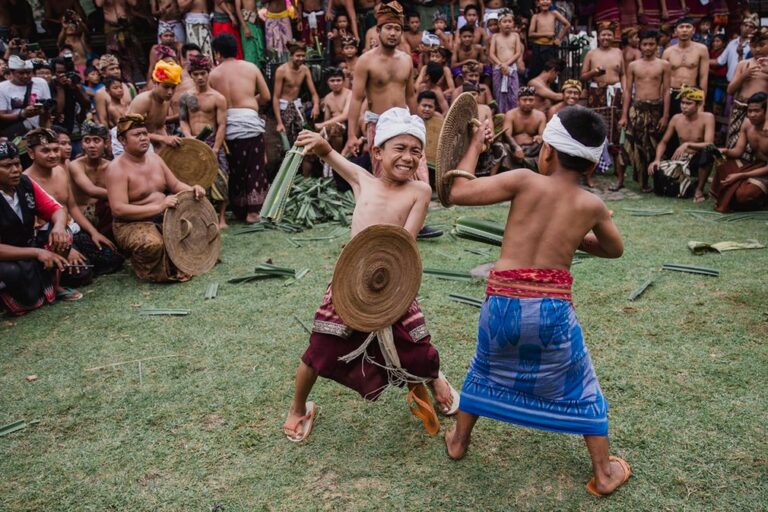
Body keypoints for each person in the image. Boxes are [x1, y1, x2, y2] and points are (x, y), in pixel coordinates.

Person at [443, 106, 631, 498]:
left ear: (547, 151)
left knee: (484, 367)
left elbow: (455, 191)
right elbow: (615, 249)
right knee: (582, 385)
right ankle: (604, 472)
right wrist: (577, 237)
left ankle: (459, 440)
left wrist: (476, 145)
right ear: (591, 166)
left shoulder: (524, 180)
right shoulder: (591, 205)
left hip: (502, 304)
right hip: (552, 311)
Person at [283, 108, 458, 443]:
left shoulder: (419, 191)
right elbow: (329, 154)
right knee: (320, 349)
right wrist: (319, 141)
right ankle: (298, 407)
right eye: (400, 148)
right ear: (377, 152)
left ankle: (434, 378)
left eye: (415, 151)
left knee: (416, 347)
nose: (409, 157)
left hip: (394, 281)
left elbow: (405, 242)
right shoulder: (362, 180)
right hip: (350, 283)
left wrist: (391, 278)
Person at [341, 0, 442, 239]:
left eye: (397, 28)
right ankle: (385, 225)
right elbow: (356, 99)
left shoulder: (406, 60)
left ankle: (415, 224)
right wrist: (352, 134)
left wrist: (420, 126)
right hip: (379, 125)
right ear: (378, 30)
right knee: (384, 179)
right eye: (389, 28)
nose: (393, 33)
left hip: (406, 123)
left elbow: (410, 95)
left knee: (419, 176)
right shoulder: (365, 61)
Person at [106, 114, 206, 282]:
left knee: (196, 229)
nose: (144, 138)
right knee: (152, 244)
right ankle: (147, 268)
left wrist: (193, 189)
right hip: (130, 224)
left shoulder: (155, 158)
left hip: (165, 215)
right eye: (137, 135)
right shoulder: (116, 169)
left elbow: (175, 185)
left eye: (145, 133)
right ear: (123, 140)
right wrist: (159, 207)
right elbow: (118, 209)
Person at [24, 128, 122, 289]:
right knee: (81, 274)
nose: (53, 155)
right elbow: (35, 227)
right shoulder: (26, 182)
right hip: (47, 239)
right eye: (45, 151)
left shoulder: (60, 171)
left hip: (72, 229)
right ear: (31, 153)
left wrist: (93, 232)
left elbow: (72, 207)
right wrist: (66, 250)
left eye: (56, 150)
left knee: (113, 258)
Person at [0, 140, 69, 316]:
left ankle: (53, 286)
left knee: (64, 235)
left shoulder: (25, 183)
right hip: (7, 257)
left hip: (27, 247)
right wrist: (36, 253)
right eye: (7, 166)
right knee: (14, 275)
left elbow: (58, 209)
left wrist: (59, 227)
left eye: (17, 164)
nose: (15, 170)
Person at [208, 33, 271, 224]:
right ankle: (254, 212)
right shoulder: (250, 68)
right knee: (255, 168)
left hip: (227, 124)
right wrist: (251, 103)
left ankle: (239, 210)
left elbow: (212, 104)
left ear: (217, 53)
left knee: (235, 169)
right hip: (249, 122)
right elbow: (266, 96)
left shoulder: (213, 74)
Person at [178, 54, 229, 228]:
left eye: (203, 73)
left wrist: (215, 148)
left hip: (213, 141)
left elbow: (222, 125)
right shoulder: (186, 97)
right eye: (196, 74)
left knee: (221, 177)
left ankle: (221, 218)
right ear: (191, 75)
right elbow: (183, 120)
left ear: (209, 73)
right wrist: (187, 136)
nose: (200, 77)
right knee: (195, 179)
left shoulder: (218, 97)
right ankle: (203, 216)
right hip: (193, 142)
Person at [619, 29, 670, 192]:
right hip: (637, 108)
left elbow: (666, 90)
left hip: (656, 108)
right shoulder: (633, 65)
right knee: (631, 143)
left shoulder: (664, 65)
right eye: (645, 44)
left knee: (652, 146)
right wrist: (624, 115)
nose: (648, 48)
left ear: (657, 45)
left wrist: (665, 115)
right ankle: (624, 180)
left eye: (651, 44)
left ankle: (651, 181)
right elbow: (627, 91)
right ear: (639, 45)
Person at [647, 87, 716, 201]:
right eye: (682, 103)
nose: (684, 106)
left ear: (698, 105)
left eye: (689, 103)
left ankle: (699, 189)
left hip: (698, 158)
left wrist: (687, 144)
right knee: (660, 183)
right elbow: (663, 142)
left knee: (709, 151)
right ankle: (690, 182)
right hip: (682, 160)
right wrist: (657, 159)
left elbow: (709, 144)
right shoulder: (676, 118)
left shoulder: (708, 118)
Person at [582, 22, 626, 186]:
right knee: (596, 129)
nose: (606, 37)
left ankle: (616, 168)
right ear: (598, 36)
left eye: (609, 34)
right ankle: (590, 170)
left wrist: (625, 92)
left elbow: (623, 75)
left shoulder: (618, 52)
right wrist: (594, 72)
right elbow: (583, 77)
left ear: (613, 36)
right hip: (596, 94)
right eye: (603, 34)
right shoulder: (591, 54)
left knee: (614, 129)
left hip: (615, 93)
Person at [712, 92, 768, 212]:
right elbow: (738, 151)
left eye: (756, 111)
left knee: (743, 195)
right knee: (721, 159)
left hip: (766, 172)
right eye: (749, 111)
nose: (752, 114)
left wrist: (740, 175)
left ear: (765, 111)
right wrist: (725, 151)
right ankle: (736, 187)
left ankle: (761, 198)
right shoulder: (747, 123)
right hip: (756, 165)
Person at [272, 40, 320, 157]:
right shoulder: (282, 71)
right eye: (298, 56)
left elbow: (313, 93)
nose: (301, 58)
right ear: (291, 56)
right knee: (286, 143)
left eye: (303, 56)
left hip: (297, 107)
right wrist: (279, 122)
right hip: (284, 108)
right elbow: (276, 97)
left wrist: (316, 105)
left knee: (302, 138)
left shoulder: (304, 69)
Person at [68, 121, 114, 239]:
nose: (91, 145)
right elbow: (91, 190)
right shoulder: (75, 165)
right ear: (82, 144)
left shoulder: (112, 166)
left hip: (104, 216)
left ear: (106, 143)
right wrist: (121, 195)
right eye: (87, 140)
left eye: (96, 140)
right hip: (79, 218)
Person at [724, 32, 767, 150]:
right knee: (734, 143)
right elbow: (730, 90)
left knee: (756, 147)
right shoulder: (743, 64)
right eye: (753, 46)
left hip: (762, 111)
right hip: (740, 108)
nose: (757, 49)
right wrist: (743, 76)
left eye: (762, 45)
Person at [128, 60, 184, 149]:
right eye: (166, 87)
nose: (170, 92)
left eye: (173, 88)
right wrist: (163, 139)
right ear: (156, 83)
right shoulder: (143, 100)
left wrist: (168, 141)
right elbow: (131, 131)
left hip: (149, 141)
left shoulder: (166, 100)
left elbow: (160, 127)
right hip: (129, 142)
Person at [662, 17, 709, 116]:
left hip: (692, 92)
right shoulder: (668, 52)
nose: (684, 30)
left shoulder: (701, 49)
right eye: (681, 27)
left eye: (688, 27)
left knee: (690, 127)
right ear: (675, 31)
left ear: (693, 30)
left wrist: (702, 101)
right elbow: (663, 79)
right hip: (672, 92)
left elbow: (703, 77)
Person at [0, 56, 52, 139]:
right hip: (16, 131)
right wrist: (23, 114)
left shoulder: (41, 83)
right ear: (12, 72)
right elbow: (1, 115)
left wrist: (47, 130)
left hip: (38, 128)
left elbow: (48, 109)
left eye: (28, 73)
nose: (25, 76)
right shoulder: (2, 87)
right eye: (21, 73)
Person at [95, 0, 145, 83]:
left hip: (126, 27)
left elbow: (134, 3)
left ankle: (137, 82)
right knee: (114, 58)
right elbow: (99, 4)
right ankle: (118, 82)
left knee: (134, 58)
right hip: (112, 29)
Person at [502, 87, 546, 171]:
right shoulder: (510, 114)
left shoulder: (540, 116)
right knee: (503, 147)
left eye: (531, 100)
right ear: (518, 101)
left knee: (546, 145)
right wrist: (516, 148)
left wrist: (540, 137)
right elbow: (506, 134)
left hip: (533, 149)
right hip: (513, 148)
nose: (528, 103)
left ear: (535, 101)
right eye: (524, 100)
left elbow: (542, 134)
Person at [489, 9, 521, 114]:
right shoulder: (495, 37)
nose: (507, 24)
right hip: (499, 69)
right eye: (504, 21)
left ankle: (513, 116)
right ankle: (500, 117)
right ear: (499, 24)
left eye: (509, 21)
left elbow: (517, 53)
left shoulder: (515, 36)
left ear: (513, 23)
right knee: (499, 95)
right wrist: (501, 64)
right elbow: (491, 54)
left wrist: (506, 65)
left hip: (511, 69)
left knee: (513, 94)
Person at [528, 0, 570, 79]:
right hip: (538, 46)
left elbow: (567, 24)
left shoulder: (554, 13)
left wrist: (559, 39)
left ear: (551, 2)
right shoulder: (536, 16)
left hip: (550, 46)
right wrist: (547, 34)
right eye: (542, 0)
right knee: (537, 71)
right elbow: (530, 34)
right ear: (538, 3)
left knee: (551, 71)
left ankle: (550, 88)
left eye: (547, 0)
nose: (545, 2)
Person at [94, 55, 135, 129]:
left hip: (133, 127)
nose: (116, 71)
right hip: (115, 131)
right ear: (103, 73)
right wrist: (108, 138)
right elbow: (103, 120)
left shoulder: (129, 86)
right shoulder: (100, 93)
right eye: (112, 69)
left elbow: (136, 109)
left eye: (117, 68)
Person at [236, 0, 266, 66]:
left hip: (256, 22)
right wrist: (245, 27)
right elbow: (238, 9)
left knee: (259, 52)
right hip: (247, 23)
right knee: (250, 53)